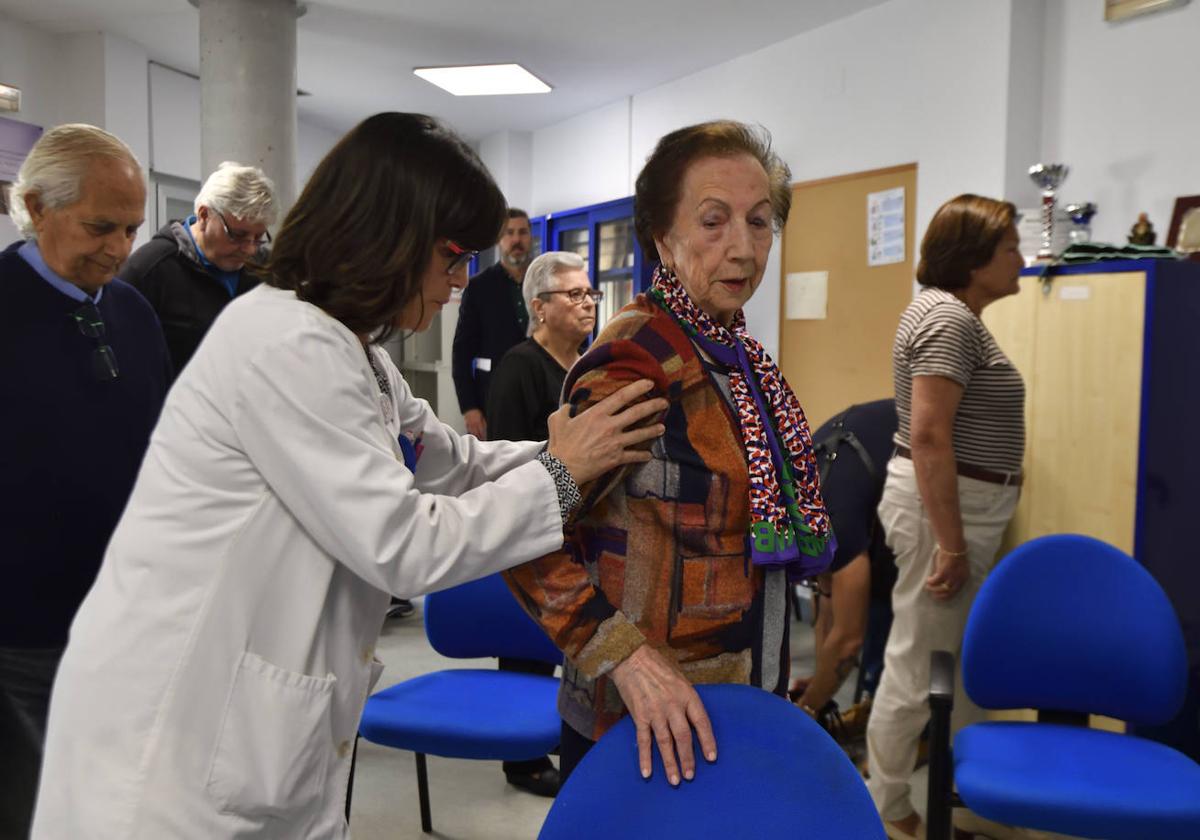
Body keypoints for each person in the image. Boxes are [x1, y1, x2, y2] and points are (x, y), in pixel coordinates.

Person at [30, 113, 667, 839]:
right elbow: (404, 542)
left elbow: (447, 461)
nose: (459, 284)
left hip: (258, 730)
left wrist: (581, 452)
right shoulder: (282, 342)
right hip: (172, 746)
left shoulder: (352, 349)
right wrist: (562, 475)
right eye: (452, 257)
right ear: (388, 234)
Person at [505, 120, 835, 788]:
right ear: (662, 237)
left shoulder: (739, 360)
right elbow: (525, 537)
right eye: (713, 222)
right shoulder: (636, 363)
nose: (743, 247)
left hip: (730, 710)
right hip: (641, 733)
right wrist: (624, 657)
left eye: (760, 221)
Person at [0, 124, 170, 838]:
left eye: (132, 228)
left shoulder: (131, 311)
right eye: (101, 226)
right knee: (38, 811)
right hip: (23, 628)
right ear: (36, 206)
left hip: (126, 619)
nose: (120, 248)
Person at [865, 194, 1025, 840]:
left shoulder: (953, 315)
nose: (1022, 258)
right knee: (916, 662)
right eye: (1010, 246)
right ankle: (888, 805)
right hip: (944, 509)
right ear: (974, 257)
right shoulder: (948, 319)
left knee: (947, 665)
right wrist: (952, 546)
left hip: (959, 505)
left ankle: (947, 800)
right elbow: (930, 437)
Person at [485, 251, 599, 797]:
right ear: (539, 307)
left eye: (589, 294)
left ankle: (552, 730)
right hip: (535, 523)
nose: (586, 304)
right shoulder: (520, 367)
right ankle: (522, 759)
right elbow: (503, 457)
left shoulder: (588, 364)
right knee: (528, 643)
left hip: (580, 526)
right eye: (573, 295)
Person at [790, 399, 898, 738]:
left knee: (886, 615)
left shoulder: (830, 519)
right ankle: (873, 705)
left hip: (959, 472)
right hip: (882, 479)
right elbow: (826, 600)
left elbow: (848, 639)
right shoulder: (804, 498)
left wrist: (809, 707)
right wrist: (822, 682)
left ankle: (912, 734)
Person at [121, 161, 277, 381]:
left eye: (258, 237)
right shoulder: (149, 269)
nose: (250, 249)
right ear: (204, 215)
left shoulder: (267, 269)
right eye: (238, 236)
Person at [452, 208, 534, 439]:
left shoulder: (545, 281)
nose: (516, 239)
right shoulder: (479, 287)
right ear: (499, 240)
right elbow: (461, 352)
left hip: (541, 397)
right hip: (494, 400)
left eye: (522, 232)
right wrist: (469, 407)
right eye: (509, 233)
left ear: (531, 236)